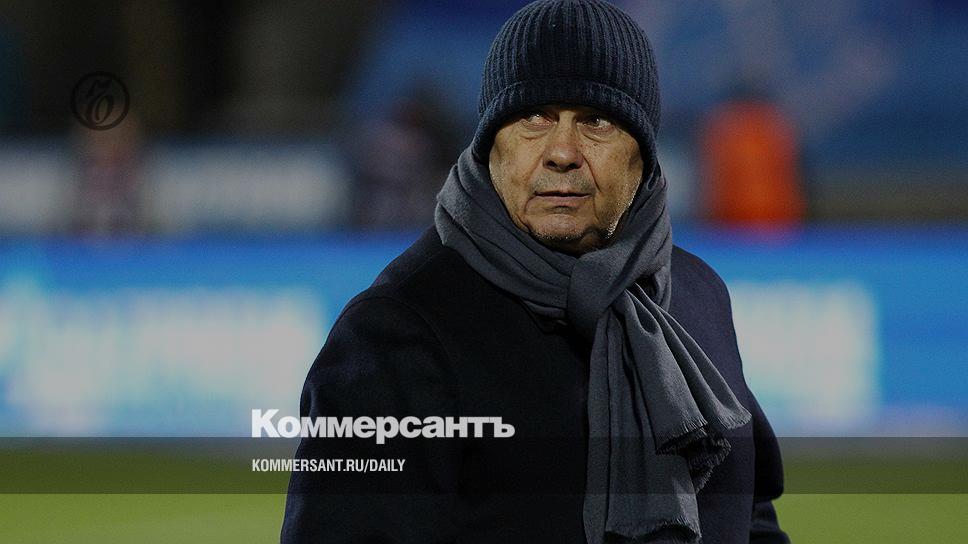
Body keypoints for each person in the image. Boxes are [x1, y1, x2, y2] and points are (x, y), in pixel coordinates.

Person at [282, 1, 789, 542]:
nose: (562, 152)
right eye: (533, 118)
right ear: (490, 147)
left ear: (642, 153)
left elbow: (747, 517)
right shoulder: (397, 332)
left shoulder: (696, 295)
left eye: (596, 121)